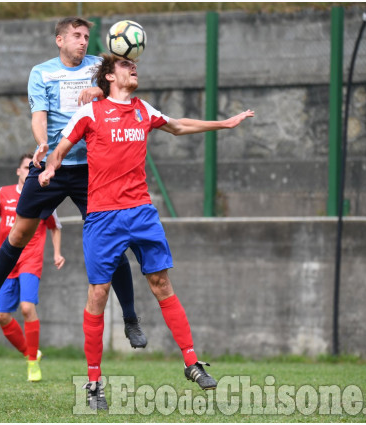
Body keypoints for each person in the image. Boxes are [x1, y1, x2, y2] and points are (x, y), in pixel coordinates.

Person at [39, 54, 254, 410]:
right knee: (98, 294)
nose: (133, 67)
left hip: (141, 213)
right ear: (109, 76)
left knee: (162, 284)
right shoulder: (91, 112)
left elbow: (179, 126)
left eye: (133, 64)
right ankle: (94, 383)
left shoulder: (143, 109)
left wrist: (225, 124)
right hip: (104, 217)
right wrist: (49, 170)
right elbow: (61, 146)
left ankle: (191, 362)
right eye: (125, 64)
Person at [0, 17, 147, 349]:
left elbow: (122, 85)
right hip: (53, 163)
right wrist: (42, 145)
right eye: (76, 36)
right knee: (18, 234)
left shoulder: (100, 65)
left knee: (113, 243)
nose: (83, 41)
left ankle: (131, 319)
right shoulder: (42, 73)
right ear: (59, 40)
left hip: (92, 169)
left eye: (86, 36)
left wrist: (100, 89)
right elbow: (39, 116)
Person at [0, 153, 65, 382]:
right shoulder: (4, 193)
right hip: (8, 261)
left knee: (27, 308)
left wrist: (58, 253)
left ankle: (33, 365)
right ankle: (31, 354)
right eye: (25, 167)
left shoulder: (42, 194)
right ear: (19, 171)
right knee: (1, 315)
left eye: (33, 168)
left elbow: (55, 226)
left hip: (31, 258)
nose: (28, 171)